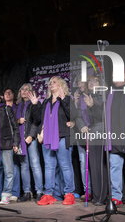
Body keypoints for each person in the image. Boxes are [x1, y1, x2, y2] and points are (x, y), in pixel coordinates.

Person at [29, 76, 75, 206]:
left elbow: (73, 115)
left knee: (65, 166)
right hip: (48, 138)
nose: (51, 84)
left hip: (62, 136)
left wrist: (64, 100)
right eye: (50, 83)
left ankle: (69, 193)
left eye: (54, 82)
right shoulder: (46, 102)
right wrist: (34, 105)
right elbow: (38, 119)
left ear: (61, 85)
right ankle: (48, 194)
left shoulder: (66, 99)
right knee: (49, 167)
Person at [105, 69, 125, 207]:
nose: (113, 76)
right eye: (112, 74)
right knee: (114, 166)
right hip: (115, 136)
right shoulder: (110, 93)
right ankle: (116, 197)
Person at [75, 74, 108, 205]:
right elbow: (77, 115)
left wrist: (92, 106)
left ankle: (109, 195)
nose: (91, 83)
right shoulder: (83, 98)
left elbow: (104, 116)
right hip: (91, 132)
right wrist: (81, 125)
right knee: (94, 166)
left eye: (95, 81)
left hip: (104, 131)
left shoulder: (104, 96)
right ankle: (98, 195)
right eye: (89, 81)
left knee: (106, 165)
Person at [15, 83, 44, 203]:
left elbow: (37, 121)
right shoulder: (18, 105)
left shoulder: (34, 103)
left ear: (31, 91)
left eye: (26, 89)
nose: (24, 91)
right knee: (24, 166)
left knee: (35, 164)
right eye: (22, 89)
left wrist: (31, 136)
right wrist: (18, 121)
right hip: (21, 139)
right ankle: (26, 192)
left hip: (30, 138)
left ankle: (39, 191)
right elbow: (14, 122)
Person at [71, 76, 92, 201]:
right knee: (83, 162)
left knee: (95, 162)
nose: (79, 85)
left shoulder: (95, 94)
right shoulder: (76, 98)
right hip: (81, 131)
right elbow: (75, 115)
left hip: (95, 131)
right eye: (78, 83)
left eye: (81, 82)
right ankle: (87, 190)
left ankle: (100, 190)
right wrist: (82, 126)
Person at [1, 88, 20, 202]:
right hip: (5, 142)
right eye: (5, 92)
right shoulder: (0, 109)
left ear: (14, 95)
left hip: (16, 140)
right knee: (4, 168)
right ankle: (1, 193)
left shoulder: (17, 107)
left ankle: (15, 192)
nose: (7, 94)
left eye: (10, 92)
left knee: (15, 167)